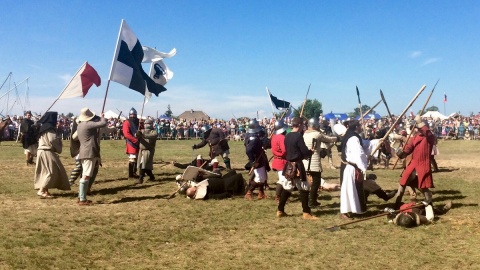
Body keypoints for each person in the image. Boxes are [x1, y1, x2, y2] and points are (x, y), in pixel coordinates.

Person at [394, 115, 436, 209]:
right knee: (403, 182)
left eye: (419, 127)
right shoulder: (415, 138)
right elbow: (408, 149)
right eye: (417, 127)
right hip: (413, 163)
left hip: (423, 163)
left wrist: (420, 123)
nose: (418, 129)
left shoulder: (429, 137)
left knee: (423, 185)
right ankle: (397, 202)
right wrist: (402, 153)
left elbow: (428, 133)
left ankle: (429, 203)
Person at [281, 117, 317, 220]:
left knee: (287, 187)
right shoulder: (298, 136)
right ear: (300, 125)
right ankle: (306, 213)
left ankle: (280, 210)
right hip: (297, 165)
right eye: (303, 125)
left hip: (289, 165)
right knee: (304, 188)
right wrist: (310, 152)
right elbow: (304, 151)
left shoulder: (287, 136)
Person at [34, 111, 70, 198]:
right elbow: (52, 139)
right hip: (47, 151)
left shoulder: (43, 127)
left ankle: (45, 191)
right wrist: (59, 146)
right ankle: (42, 190)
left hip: (41, 151)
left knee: (45, 171)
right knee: (52, 171)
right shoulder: (50, 128)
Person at [302, 118, 337, 208]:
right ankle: (312, 201)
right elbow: (328, 139)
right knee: (316, 182)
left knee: (310, 182)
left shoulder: (305, 134)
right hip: (314, 162)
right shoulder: (317, 134)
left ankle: (313, 200)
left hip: (305, 161)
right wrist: (337, 137)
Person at [75, 108, 107, 205]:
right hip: (89, 152)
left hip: (84, 152)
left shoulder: (80, 125)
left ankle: (81, 196)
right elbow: (103, 123)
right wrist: (102, 117)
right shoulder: (88, 124)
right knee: (86, 176)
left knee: (85, 174)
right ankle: (82, 199)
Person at [339, 120, 368, 220]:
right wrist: (363, 167)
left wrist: (378, 141)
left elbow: (364, 144)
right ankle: (344, 212)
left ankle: (353, 209)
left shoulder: (351, 135)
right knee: (348, 190)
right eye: (359, 125)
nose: (361, 127)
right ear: (356, 127)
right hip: (351, 167)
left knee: (353, 190)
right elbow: (359, 153)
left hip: (350, 166)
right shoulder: (353, 138)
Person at [244, 118, 269, 200]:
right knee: (259, 178)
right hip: (256, 159)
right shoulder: (253, 137)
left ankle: (261, 193)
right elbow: (248, 150)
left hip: (259, 157)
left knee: (263, 176)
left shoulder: (249, 135)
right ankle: (249, 192)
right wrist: (253, 161)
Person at [388, 200, 452, 228]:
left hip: (409, 207)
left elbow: (390, 218)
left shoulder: (397, 217)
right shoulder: (421, 217)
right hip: (421, 210)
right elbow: (429, 218)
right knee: (431, 208)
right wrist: (427, 205)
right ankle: (443, 210)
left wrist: (389, 212)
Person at [270, 119, 288, 204]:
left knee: (284, 179)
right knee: (282, 180)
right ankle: (278, 197)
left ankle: (281, 196)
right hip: (281, 161)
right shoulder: (282, 138)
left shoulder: (274, 136)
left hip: (277, 160)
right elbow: (284, 151)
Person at [136, 118, 158, 184]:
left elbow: (151, 136)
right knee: (142, 164)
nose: (146, 125)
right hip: (141, 150)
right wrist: (137, 134)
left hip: (149, 150)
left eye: (148, 123)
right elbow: (136, 136)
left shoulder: (153, 132)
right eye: (145, 123)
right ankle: (151, 177)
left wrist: (142, 135)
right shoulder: (142, 131)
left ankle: (141, 178)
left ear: (151, 124)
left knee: (144, 164)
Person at [123, 108, 140, 179]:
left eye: (134, 114)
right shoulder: (127, 122)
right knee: (132, 158)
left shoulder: (138, 122)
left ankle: (134, 172)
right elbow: (126, 134)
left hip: (138, 142)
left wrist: (141, 124)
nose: (133, 116)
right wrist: (135, 140)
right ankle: (131, 174)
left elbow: (141, 130)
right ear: (129, 115)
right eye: (131, 114)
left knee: (137, 158)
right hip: (131, 143)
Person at [68, 117, 82, 186]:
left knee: (83, 167)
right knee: (79, 166)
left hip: (84, 150)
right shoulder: (78, 130)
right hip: (81, 150)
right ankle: (70, 181)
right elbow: (74, 137)